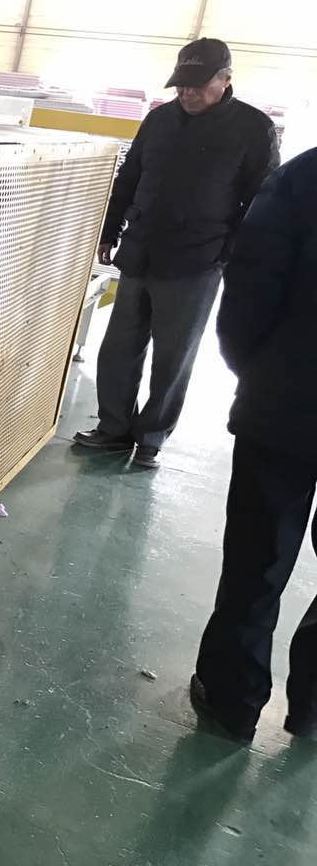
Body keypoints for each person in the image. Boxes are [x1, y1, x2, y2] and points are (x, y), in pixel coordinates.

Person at [73, 38, 279, 469]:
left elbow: (261, 201)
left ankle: (150, 438)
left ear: (225, 79)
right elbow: (129, 178)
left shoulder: (251, 128)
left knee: (173, 356)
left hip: (196, 262)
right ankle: (113, 428)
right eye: (181, 84)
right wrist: (109, 231)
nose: (187, 92)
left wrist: (228, 254)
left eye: (197, 85)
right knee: (119, 348)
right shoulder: (159, 120)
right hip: (140, 252)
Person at [190, 148, 317, 742]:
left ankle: (232, 699)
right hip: (284, 399)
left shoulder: (303, 179)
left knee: (256, 559)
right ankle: (313, 709)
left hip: (286, 404)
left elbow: (248, 290)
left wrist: (259, 372)